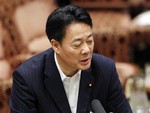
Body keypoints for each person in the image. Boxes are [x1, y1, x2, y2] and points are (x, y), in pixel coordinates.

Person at [10, 4, 132, 113]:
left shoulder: (105, 69)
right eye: (77, 44)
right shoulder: (27, 78)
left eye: (89, 41)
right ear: (56, 45)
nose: (87, 50)